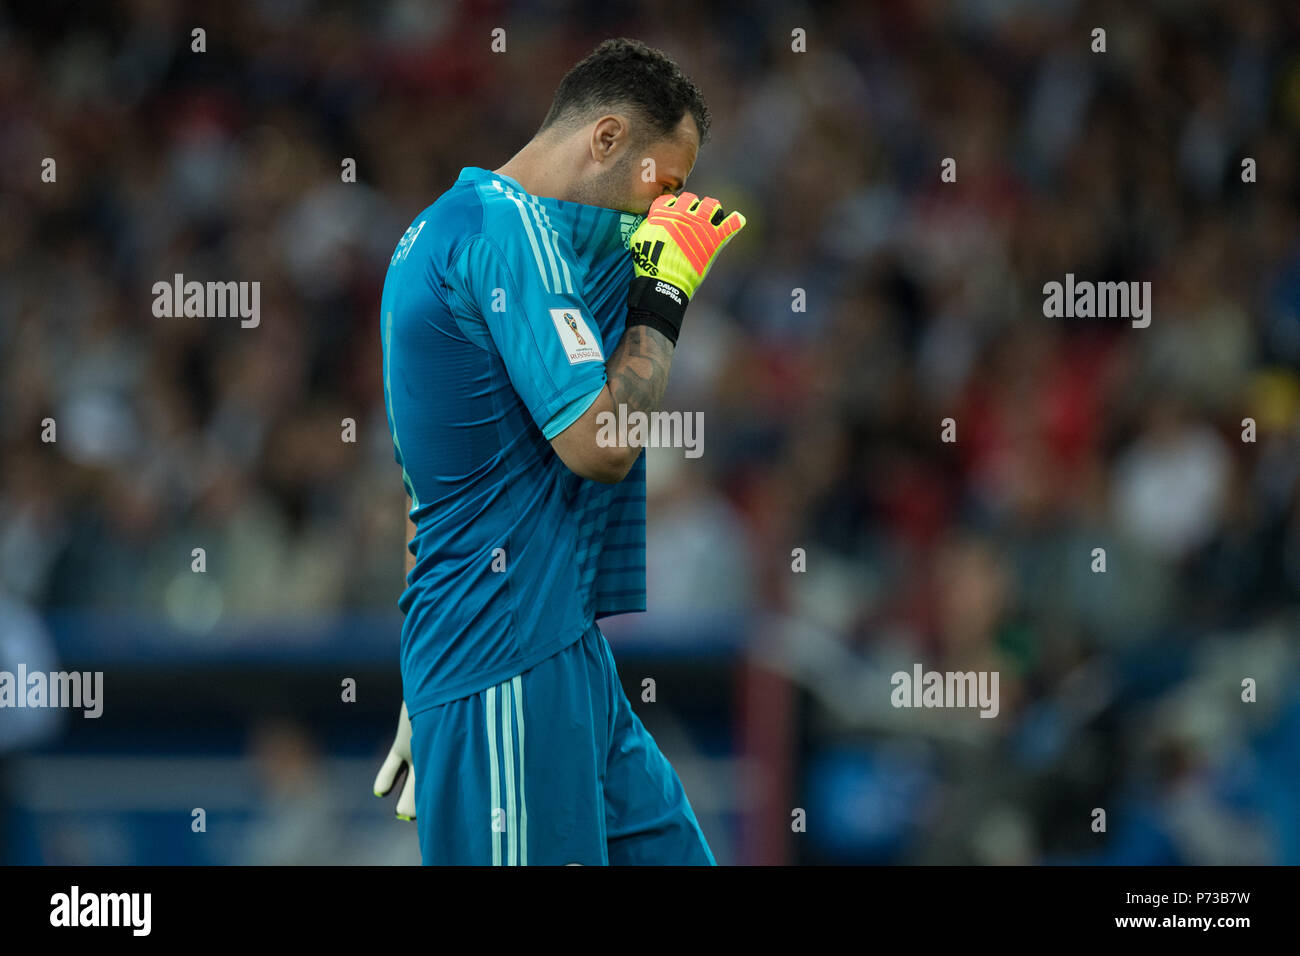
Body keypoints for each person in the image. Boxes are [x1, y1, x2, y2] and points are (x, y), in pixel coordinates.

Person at [373, 37, 745, 864]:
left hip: (557, 652)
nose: (664, 215)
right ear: (606, 139)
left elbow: (423, 491)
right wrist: (662, 298)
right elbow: (601, 446)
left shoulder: (435, 232)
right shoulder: (515, 234)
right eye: (665, 185)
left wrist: (416, 664)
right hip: (503, 658)